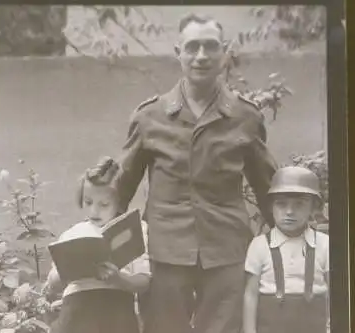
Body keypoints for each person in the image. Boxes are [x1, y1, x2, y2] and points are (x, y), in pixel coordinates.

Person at [99, 13, 278, 333]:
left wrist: (289, 246)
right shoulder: (149, 116)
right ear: (177, 51)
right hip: (166, 250)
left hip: (227, 249)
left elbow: (268, 189)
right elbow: (119, 191)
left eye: (210, 46)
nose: (201, 56)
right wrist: (100, 244)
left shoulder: (245, 117)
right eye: (192, 47)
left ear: (225, 53)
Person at [43, 157, 151, 333]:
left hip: (116, 312)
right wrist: (66, 271)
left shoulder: (132, 230)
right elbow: (53, 283)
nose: (94, 211)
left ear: (120, 202)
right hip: (77, 311)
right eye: (88, 202)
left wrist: (119, 279)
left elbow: (144, 281)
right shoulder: (72, 234)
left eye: (104, 204)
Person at [243, 166, 330, 333]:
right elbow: (250, 294)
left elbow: (335, 293)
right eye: (281, 204)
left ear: (313, 208)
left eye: (299, 205)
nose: (289, 212)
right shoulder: (259, 245)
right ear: (270, 207)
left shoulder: (324, 244)